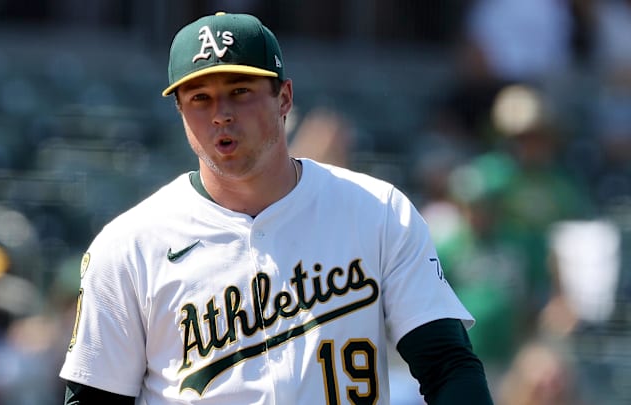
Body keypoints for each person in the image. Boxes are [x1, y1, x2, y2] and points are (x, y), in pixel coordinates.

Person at [59, 12, 493, 404]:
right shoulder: (130, 245)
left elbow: (448, 366)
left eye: (240, 91)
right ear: (180, 110)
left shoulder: (377, 212)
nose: (221, 114)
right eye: (200, 98)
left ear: (284, 98)